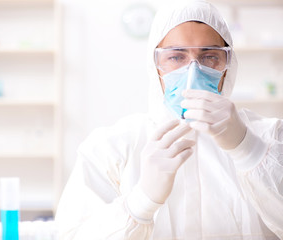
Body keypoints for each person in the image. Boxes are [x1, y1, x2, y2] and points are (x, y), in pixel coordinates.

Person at [55, 0, 283, 239]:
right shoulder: (111, 147)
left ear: (228, 65)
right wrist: (140, 202)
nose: (193, 71)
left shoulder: (270, 136)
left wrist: (248, 149)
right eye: (176, 57)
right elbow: (72, 233)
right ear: (155, 65)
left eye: (210, 57)